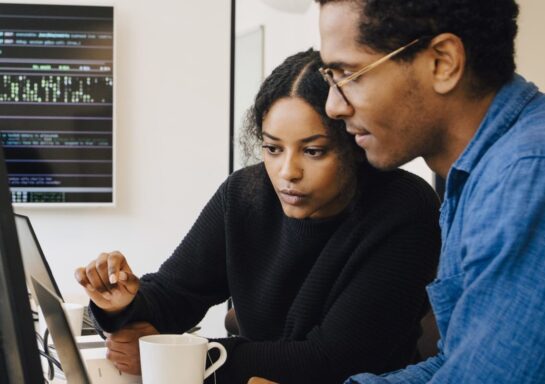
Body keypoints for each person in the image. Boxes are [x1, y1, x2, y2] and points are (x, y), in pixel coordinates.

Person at [315, 0, 545, 383]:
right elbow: (458, 363)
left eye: (349, 74)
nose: (333, 106)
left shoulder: (542, 173)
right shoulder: (486, 167)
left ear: (443, 62)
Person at [74, 49, 441, 384]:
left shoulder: (403, 207)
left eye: (313, 151)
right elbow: (177, 291)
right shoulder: (244, 194)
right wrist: (122, 304)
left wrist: (188, 355)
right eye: (272, 148)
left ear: (352, 146)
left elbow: (333, 359)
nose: (287, 172)